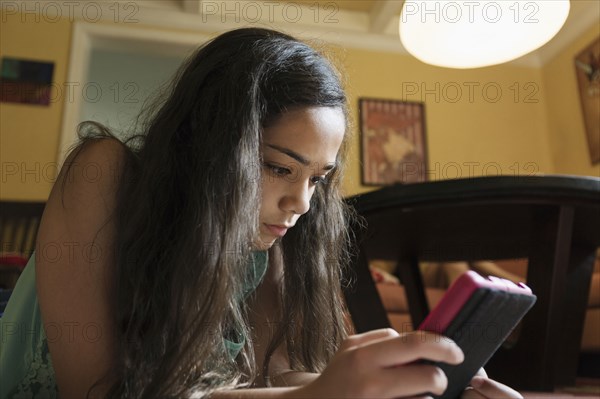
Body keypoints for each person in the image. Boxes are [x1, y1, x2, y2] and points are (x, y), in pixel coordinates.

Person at [0, 28, 523, 399]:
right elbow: (96, 392)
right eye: (277, 167)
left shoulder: (265, 247)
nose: (303, 202)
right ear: (210, 149)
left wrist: (380, 385)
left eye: (318, 178)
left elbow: (282, 379)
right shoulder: (105, 171)